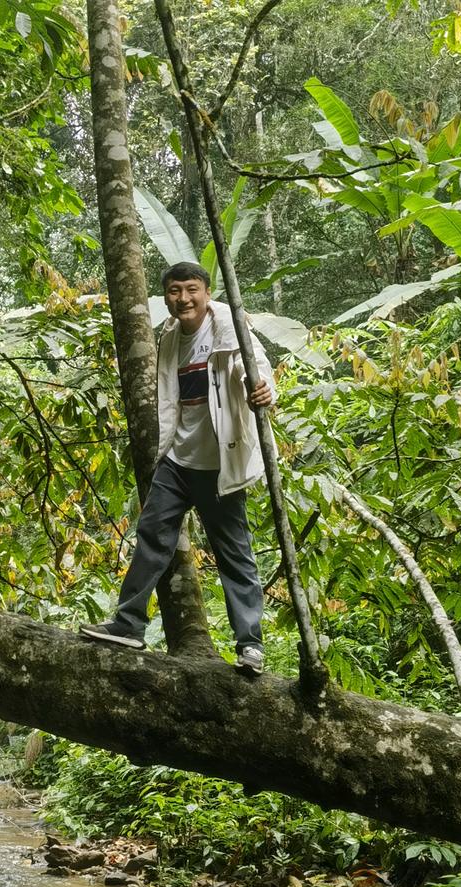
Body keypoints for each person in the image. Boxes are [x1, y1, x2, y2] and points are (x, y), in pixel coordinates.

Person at [80, 261, 276, 673]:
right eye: (174, 291)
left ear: (206, 292)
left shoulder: (229, 327)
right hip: (177, 458)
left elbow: (251, 365)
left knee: (233, 554)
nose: (183, 299)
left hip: (219, 463)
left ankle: (250, 645)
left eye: (191, 289)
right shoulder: (170, 335)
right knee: (151, 535)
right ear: (165, 296)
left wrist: (262, 389)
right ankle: (129, 623)